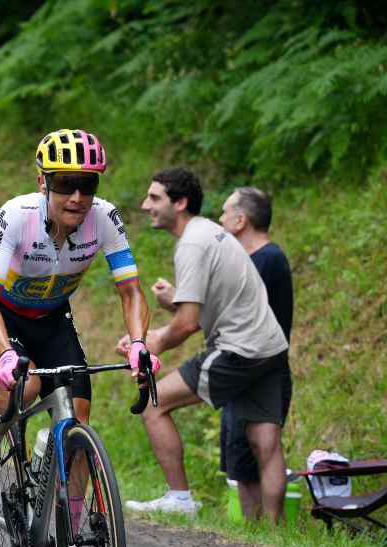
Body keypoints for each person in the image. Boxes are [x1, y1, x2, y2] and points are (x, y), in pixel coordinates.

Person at [0, 128, 158, 547]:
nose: (77, 197)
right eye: (65, 184)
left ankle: (74, 537)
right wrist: (5, 354)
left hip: (53, 319)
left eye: (88, 185)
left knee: (77, 421)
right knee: (27, 383)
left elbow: (130, 290)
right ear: (42, 183)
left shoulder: (105, 219)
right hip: (3, 316)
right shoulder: (16, 216)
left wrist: (137, 343)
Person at [121, 168, 290, 522]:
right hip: (270, 348)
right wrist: (171, 312)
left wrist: (154, 343)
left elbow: (187, 323)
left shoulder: (193, 244)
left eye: (154, 198)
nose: (144, 205)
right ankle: (277, 534)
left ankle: (180, 499)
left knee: (154, 405)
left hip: (239, 350)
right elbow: (204, 307)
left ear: (180, 202)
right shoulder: (212, 233)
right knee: (266, 442)